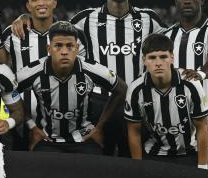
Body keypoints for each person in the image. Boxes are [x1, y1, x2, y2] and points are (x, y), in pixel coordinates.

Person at [10, 0, 165, 157]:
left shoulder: (149, 19)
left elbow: (169, 44)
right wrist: (28, 17)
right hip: (100, 103)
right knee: (103, 159)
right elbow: (57, 28)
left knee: (135, 157)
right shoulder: (85, 18)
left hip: (137, 100)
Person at [17, 21, 126, 153]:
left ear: (77, 48)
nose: (64, 51)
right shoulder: (32, 71)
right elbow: (8, 93)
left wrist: (99, 127)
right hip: (47, 139)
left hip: (85, 138)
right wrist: (32, 126)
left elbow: (121, 89)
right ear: (49, 49)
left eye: (70, 46)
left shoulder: (91, 69)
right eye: (58, 46)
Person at [162, 0, 208, 171]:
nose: (188, 0)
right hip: (173, 130)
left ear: (202, 0)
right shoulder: (166, 36)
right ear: (176, 0)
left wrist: (199, 73)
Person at [124, 33, 208, 169]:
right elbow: (134, 131)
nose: (158, 63)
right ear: (144, 60)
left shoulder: (190, 84)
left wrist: (203, 166)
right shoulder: (136, 90)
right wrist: (138, 167)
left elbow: (202, 127)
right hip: (155, 156)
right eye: (152, 58)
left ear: (172, 58)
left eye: (163, 57)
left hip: (191, 154)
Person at [1, 0, 58, 150]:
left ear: (54, 3)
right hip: (20, 118)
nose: (40, 3)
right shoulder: (12, 35)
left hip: (59, 119)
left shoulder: (68, 34)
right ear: (28, 5)